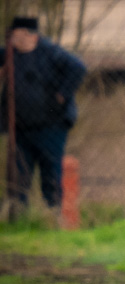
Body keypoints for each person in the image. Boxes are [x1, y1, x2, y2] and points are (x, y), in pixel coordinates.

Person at [0, 16, 86, 209]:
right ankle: (17, 215)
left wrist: (62, 95)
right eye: (12, 37)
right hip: (20, 128)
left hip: (51, 127)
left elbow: (78, 68)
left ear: (31, 36)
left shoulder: (52, 54)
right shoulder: (9, 55)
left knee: (50, 172)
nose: (13, 41)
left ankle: (53, 213)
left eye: (17, 36)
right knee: (19, 174)